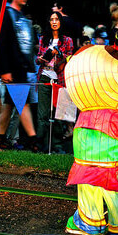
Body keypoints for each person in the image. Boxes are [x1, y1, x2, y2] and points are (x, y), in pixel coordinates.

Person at [0, 0, 39, 152]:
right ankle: (34, 142)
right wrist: (4, 69)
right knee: (23, 104)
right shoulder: (6, 15)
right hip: (11, 67)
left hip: (20, 67)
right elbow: (1, 43)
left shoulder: (22, 16)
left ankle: (0, 140)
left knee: (9, 105)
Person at [36, 11, 73, 153]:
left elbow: (71, 59)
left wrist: (60, 54)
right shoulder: (43, 39)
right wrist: (40, 59)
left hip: (60, 78)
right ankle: (41, 145)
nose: (54, 21)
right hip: (44, 75)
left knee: (59, 113)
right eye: (51, 19)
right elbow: (38, 56)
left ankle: (57, 146)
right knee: (43, 114)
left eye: (57, 19)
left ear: (60, 21)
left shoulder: (67, 40)